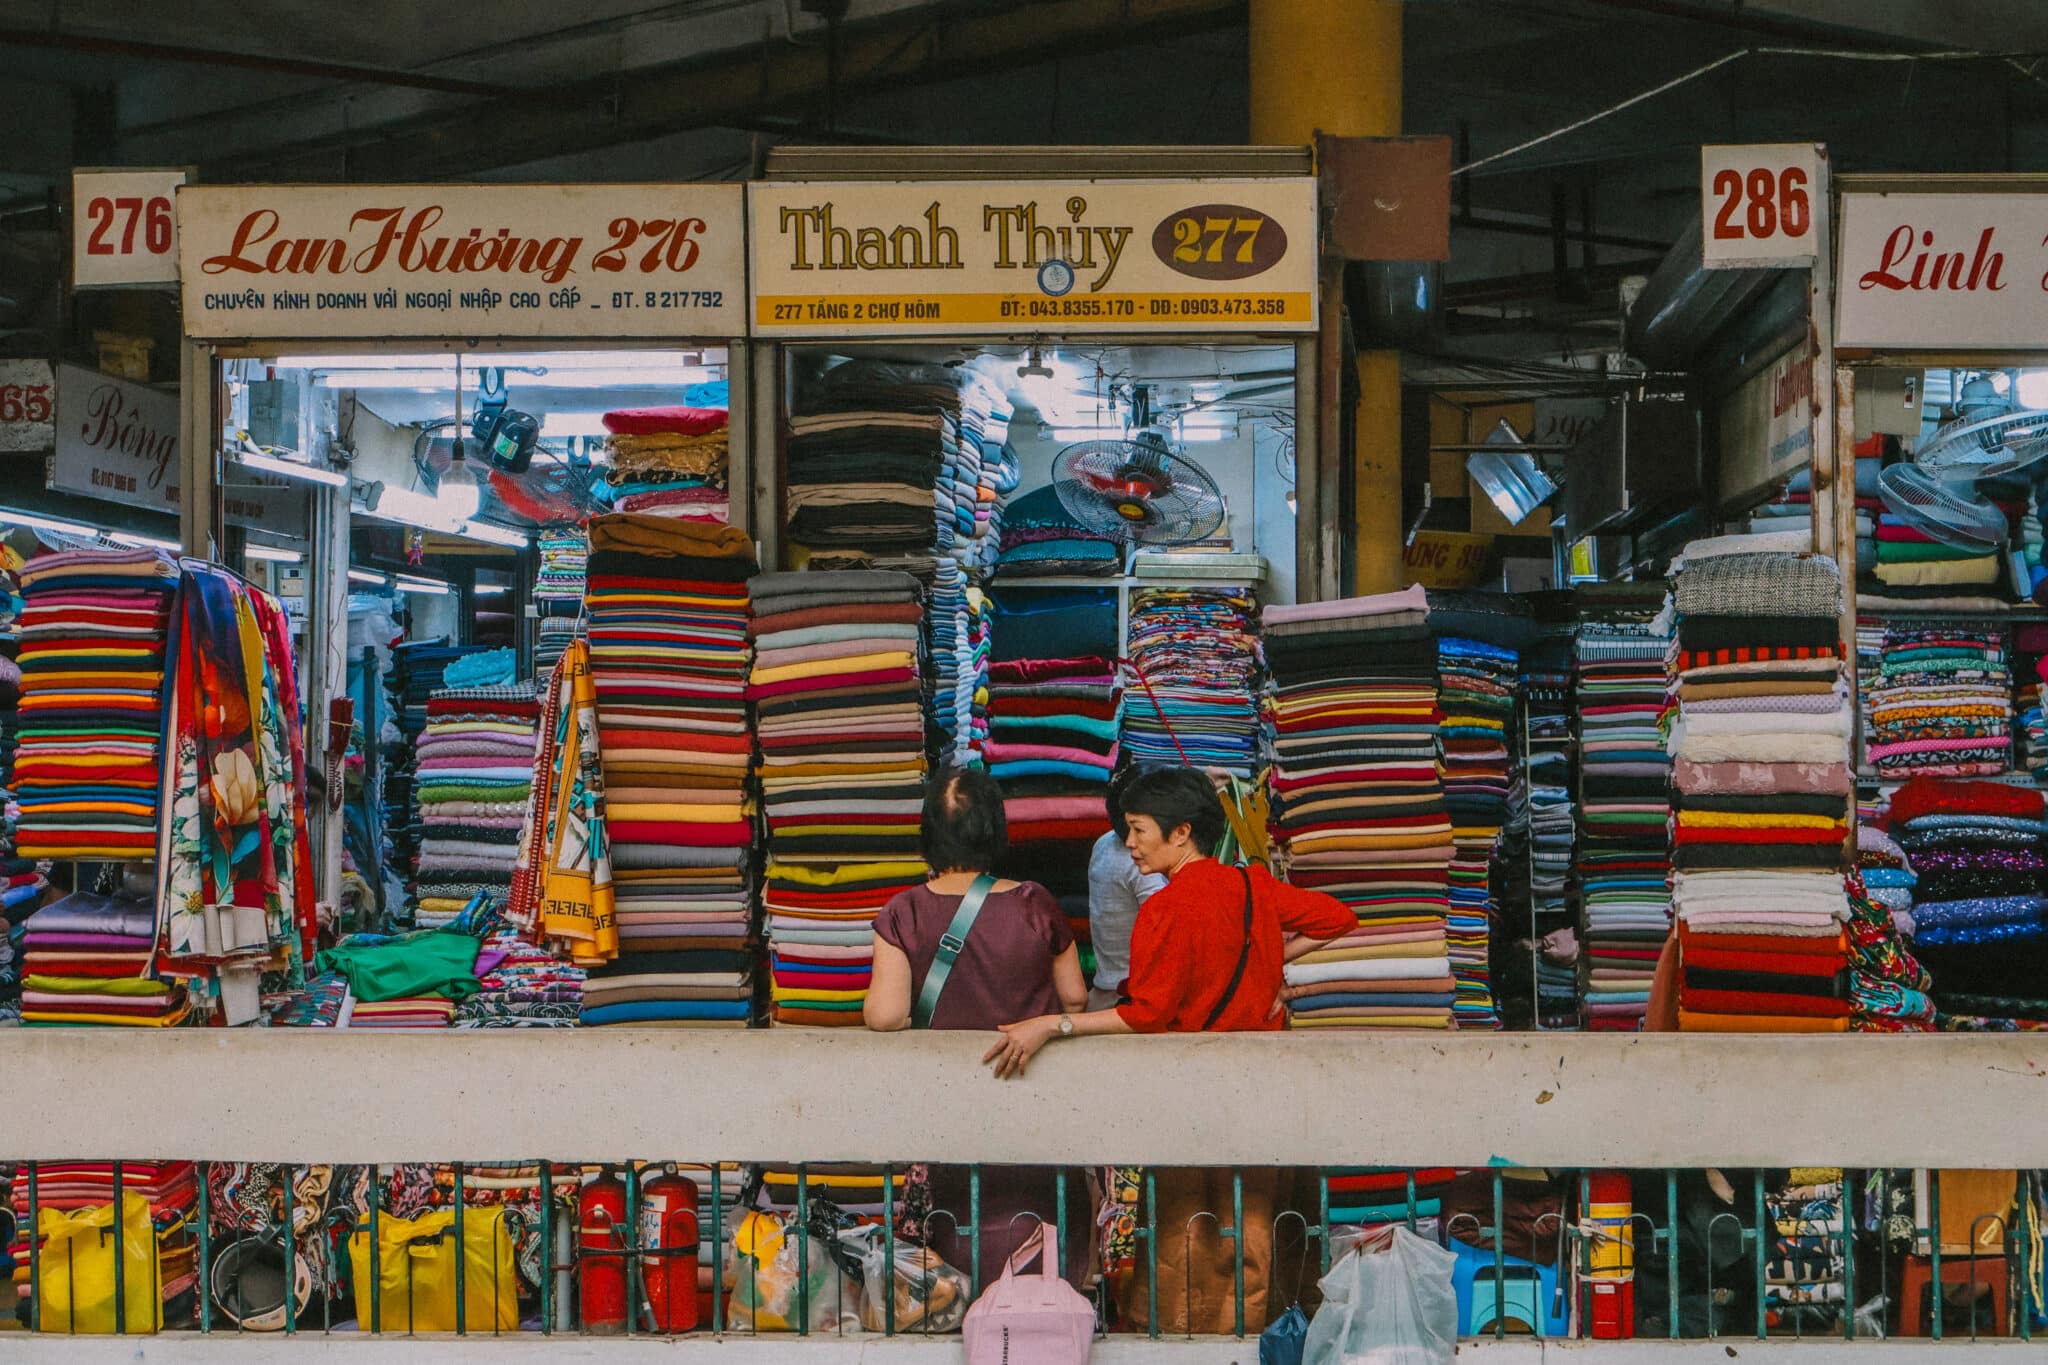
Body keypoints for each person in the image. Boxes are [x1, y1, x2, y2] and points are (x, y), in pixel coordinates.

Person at [984, 765, 1355, 1333]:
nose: (1128, 844)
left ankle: (1184, 1339)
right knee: (1255, 1227)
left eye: (1137, 830)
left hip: (1191, 1100)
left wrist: (1050, 1026)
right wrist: (1276, 963)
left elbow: (1146, 1015)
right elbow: (1340, 917)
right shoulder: (1254, 886)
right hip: (1263, 1096)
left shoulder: (1163, 909)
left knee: (1187, 1236)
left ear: (1181, 832)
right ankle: (1263, 1334)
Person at [866, 764, 1090, 1283]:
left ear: (928, 835)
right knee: (1040, 1238)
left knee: (958, 1241)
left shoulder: (903, 913)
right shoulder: (1035, 902)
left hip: (949, 1118)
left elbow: (885, 1014)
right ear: (994, 830)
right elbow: (1076, 998)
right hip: (1033, 1109)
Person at [1085, 763, 1168, 1011]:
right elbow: (1167, 934)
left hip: (1106, 990)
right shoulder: (1141, 865)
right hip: (1130, 999)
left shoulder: (1104, 843)